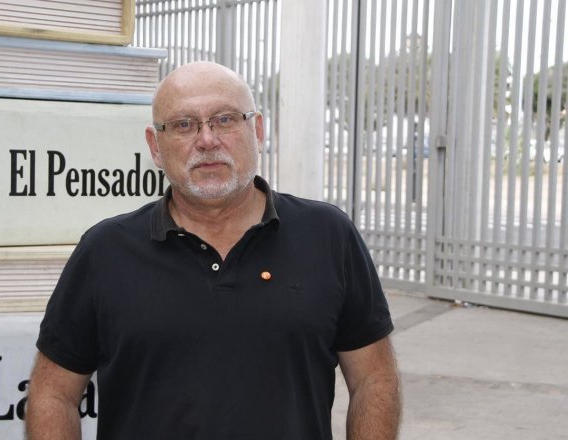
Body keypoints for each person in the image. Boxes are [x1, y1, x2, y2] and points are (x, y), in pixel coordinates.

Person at [26, 61, 401, 440]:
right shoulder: (105, 251)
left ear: (257, 130)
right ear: (155, 146)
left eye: (224, 119)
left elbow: (374, 378)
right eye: (183, 124)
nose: (207, 140)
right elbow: (53, 394)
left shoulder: (328, 235)